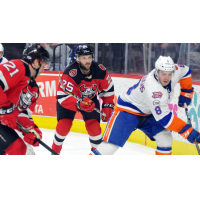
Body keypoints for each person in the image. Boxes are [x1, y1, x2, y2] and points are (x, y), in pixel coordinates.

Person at [90, 56, 200, 155]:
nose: (166, 77)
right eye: (163, 74)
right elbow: (165, 120)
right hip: (127, 110)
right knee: (109, 148)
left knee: (165, 139)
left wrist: (186, 91)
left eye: (169, 74)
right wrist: (188, 131)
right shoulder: (154, 89)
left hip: (147, 111)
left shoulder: (174, 71)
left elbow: (185, 71)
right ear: (157, 72)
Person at [52, 44, 115, 154]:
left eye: (89, 57)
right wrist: (78, 104)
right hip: (71, 101)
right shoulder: (70, 73)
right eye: (84, 58)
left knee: (94, 128)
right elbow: (62, 95)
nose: (87, 61)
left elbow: (108, 91)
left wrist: (107, 106)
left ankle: (97, 156)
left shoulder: (100, 70)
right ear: (77, 59)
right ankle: (54, 153)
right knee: (63, 126)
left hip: (90, 100)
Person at [0, 44, 50, 155]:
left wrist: (31, 130)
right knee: (17, 148)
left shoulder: (34, 89)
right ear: (37, 62)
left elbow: (22, 113)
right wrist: (4, 107)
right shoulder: (19, 66)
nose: (44, 69)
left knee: (14, 149)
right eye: (44, 64)